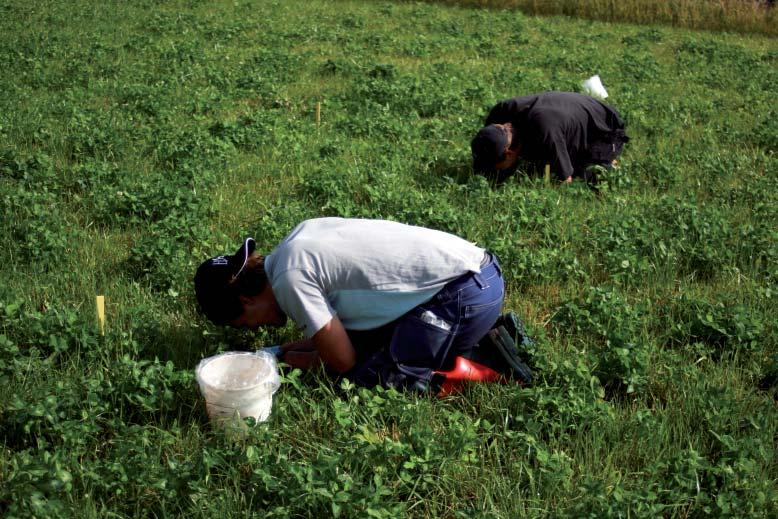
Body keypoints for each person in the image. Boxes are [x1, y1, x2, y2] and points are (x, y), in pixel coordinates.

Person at [194, 217, 521, 394]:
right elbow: (338, 337)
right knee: (365, 345)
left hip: (462, 296)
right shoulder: (293, 247)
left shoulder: (290, 279)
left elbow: (341, 359)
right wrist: (281, 349)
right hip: (479, 278)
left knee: (369, 381)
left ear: (246, 300)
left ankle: (485, 363)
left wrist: (286, 361)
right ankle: (478, 338)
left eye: (245, 322)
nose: (256, 328)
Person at [471, 91, 629, 184]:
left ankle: (609, 160)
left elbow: (566, 181)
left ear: (509, 153)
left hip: (604, 128)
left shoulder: (545, 132)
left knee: (585, 174)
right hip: (566, 113)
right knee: (541, 164)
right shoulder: (500, 113)